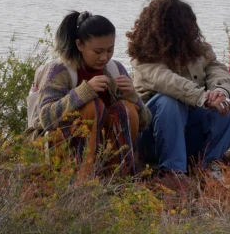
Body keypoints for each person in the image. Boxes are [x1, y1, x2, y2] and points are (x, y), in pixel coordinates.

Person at [128, 0, 230, 176]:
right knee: (169, 101)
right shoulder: (143, 57)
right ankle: (173, 172)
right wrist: (203, 97)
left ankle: (209, 165)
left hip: (187, 133)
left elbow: (218, 72)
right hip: (152, 138)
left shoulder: (199, 50)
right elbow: (168, 81)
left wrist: (219, 92)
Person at [32, 10, 151, 175]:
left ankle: (121, 178)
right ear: (79, 45)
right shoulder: (60, 70)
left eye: (110, 50)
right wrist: (83, 92)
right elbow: (45, 119)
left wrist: (132, 96)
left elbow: (145, 123)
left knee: (127, 109)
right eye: (97, 51)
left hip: (105, 149)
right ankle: (83, 178)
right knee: (92, 107)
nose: (104, 57)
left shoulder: (115, 69)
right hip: (62, 151)